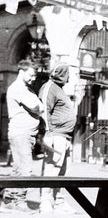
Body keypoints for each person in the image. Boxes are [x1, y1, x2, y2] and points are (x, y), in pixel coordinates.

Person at [2, 59, 43, 213]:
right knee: (26, 169)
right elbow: (36, 107)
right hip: (21, 133)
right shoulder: (18, 88)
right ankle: (19, 202)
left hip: (26, 134)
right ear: (21, 71)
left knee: (18, 167)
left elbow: (40, 107)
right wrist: (38, 108)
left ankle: (8, 200)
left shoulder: (28, 89)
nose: (34, 79)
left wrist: (38, 108)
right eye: (31, 75)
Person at [38, 62, 77, 214]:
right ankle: (45, 203)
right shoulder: (49, 87)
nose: (69, 79)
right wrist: (49, 134)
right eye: (68, 75)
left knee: (63, 172)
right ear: (62, 74)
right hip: (56, 136)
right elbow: (44, 111)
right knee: (51, 170)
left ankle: (59, 201)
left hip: (65, 137)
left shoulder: (59, 89)